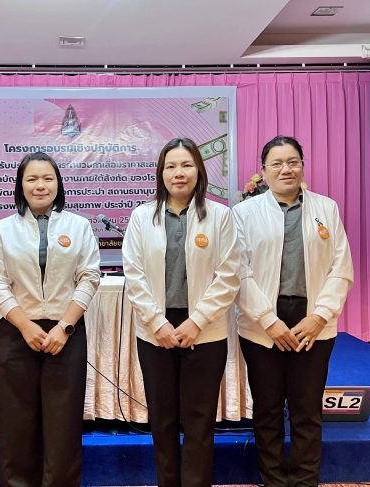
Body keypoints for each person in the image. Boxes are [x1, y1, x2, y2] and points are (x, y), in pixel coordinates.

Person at [233, 135, 354, 487]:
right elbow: (238, 272)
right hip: (262, 326)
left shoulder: (326, 208)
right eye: (277, 163)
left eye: (293, 162)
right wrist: (267, 321)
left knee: (307, 411)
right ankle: (273, 480)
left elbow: (341, 267)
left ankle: (304, 481)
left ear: (302, 166)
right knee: (267, 410)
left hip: (313, 323)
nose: (286, 169)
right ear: (263, 171)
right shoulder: (244, 213)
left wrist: (320, 317)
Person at [122, 137, 240, 487]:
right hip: (155, 332)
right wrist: (156, 322)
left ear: (199, 170)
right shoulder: (142, 216)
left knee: (200, 420)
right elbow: (133, 274)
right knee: (163, 419)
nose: (179, 173)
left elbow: (229, 275)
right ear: (161, 173)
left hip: (205, 331)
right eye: (171, 166)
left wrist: (197, 321)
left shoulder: (219, 216)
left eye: (186, 165)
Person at [0, 152, 100, 487]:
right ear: (20, 185)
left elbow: (89, 277)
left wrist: (64, 327)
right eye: (32, 179)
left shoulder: (78, 226)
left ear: (58, 184)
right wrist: (25, 326)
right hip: (17, 333)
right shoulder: (3, 229)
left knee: (64, 423)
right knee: (17, 422)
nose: (40, 185)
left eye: (48, 178)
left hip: (66, 334)